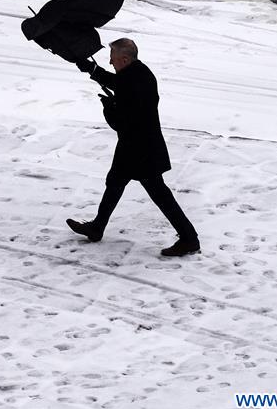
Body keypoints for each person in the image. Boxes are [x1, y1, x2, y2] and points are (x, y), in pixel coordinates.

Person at [68, 38, 200, 257]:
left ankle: (189, 238)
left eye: (112, 59)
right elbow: (118, 84)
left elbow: (121, 121)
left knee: (159, 194)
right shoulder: (138, 73)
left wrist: (109, 108)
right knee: (114, 184)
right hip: (135, 146)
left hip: (141, 150)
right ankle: (97, 227)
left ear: (125, 58)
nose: (110, 63)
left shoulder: (135, 81)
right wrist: (92, 69)